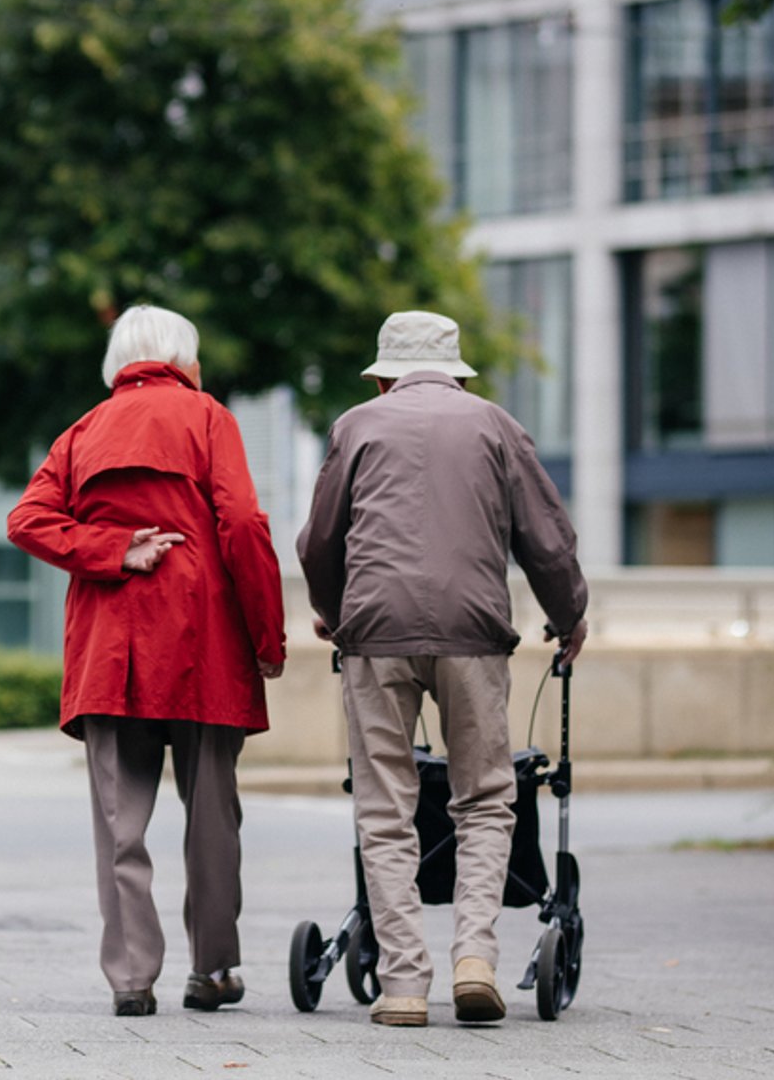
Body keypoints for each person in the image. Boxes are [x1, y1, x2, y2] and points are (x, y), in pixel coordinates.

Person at [297, 309, 588, 1029]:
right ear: (455, 371)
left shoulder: (357, 426)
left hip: (376, 633)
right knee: (487, 798)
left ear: (384, 374)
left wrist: (334, 610)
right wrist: (570, 614)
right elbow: (546, 540)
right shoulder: (495, 425)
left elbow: (319, 540)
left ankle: (401, 984)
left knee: (385, 805)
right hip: (472, 630)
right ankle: (474, 961)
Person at [8, 304, 286, 1018]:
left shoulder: (82, 431)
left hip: (110, 648)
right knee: (212, 818)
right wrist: (267, 635)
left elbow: (28, 520)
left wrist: (112, 549)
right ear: (184, 360)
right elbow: (246, 524)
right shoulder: (206, 417)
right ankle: (214, 969)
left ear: (118, 363)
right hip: (204, 644)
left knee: (119, 821)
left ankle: (132, 977)